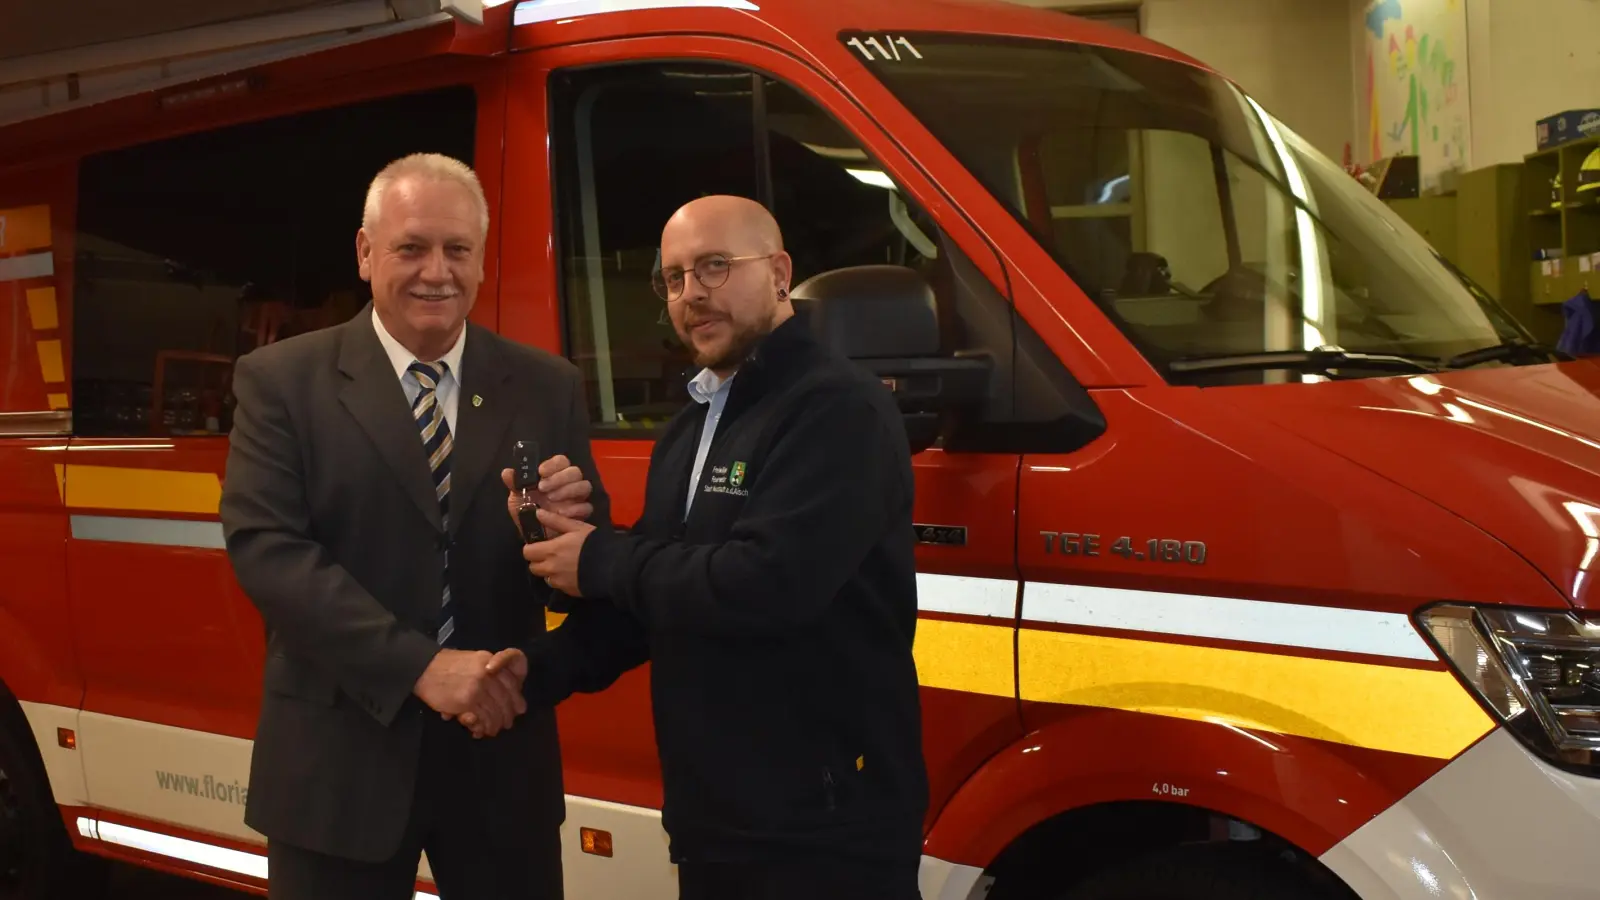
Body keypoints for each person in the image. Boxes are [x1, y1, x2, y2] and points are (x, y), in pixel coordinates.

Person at [483, 194, 929, 899]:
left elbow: (768, 584)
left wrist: (597, 557)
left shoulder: (837, 409)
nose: (691, 294)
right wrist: (528, 674)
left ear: (779, 273)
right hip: (715, 823)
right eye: (674, 278)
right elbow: (660, 601)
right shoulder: (690, 429)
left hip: (826, 830)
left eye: (715, 267)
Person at [218, 152, 603, 900]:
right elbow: (271, 555)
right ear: (365, 254)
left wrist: (559, 532)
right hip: (339, 770)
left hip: (501, 761)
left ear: (482, 261)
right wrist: (423, 668)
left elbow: (585, 566)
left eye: (458, 250)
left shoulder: (547, 386)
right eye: (411, 247)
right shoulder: (281, 382)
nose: (438, 271)